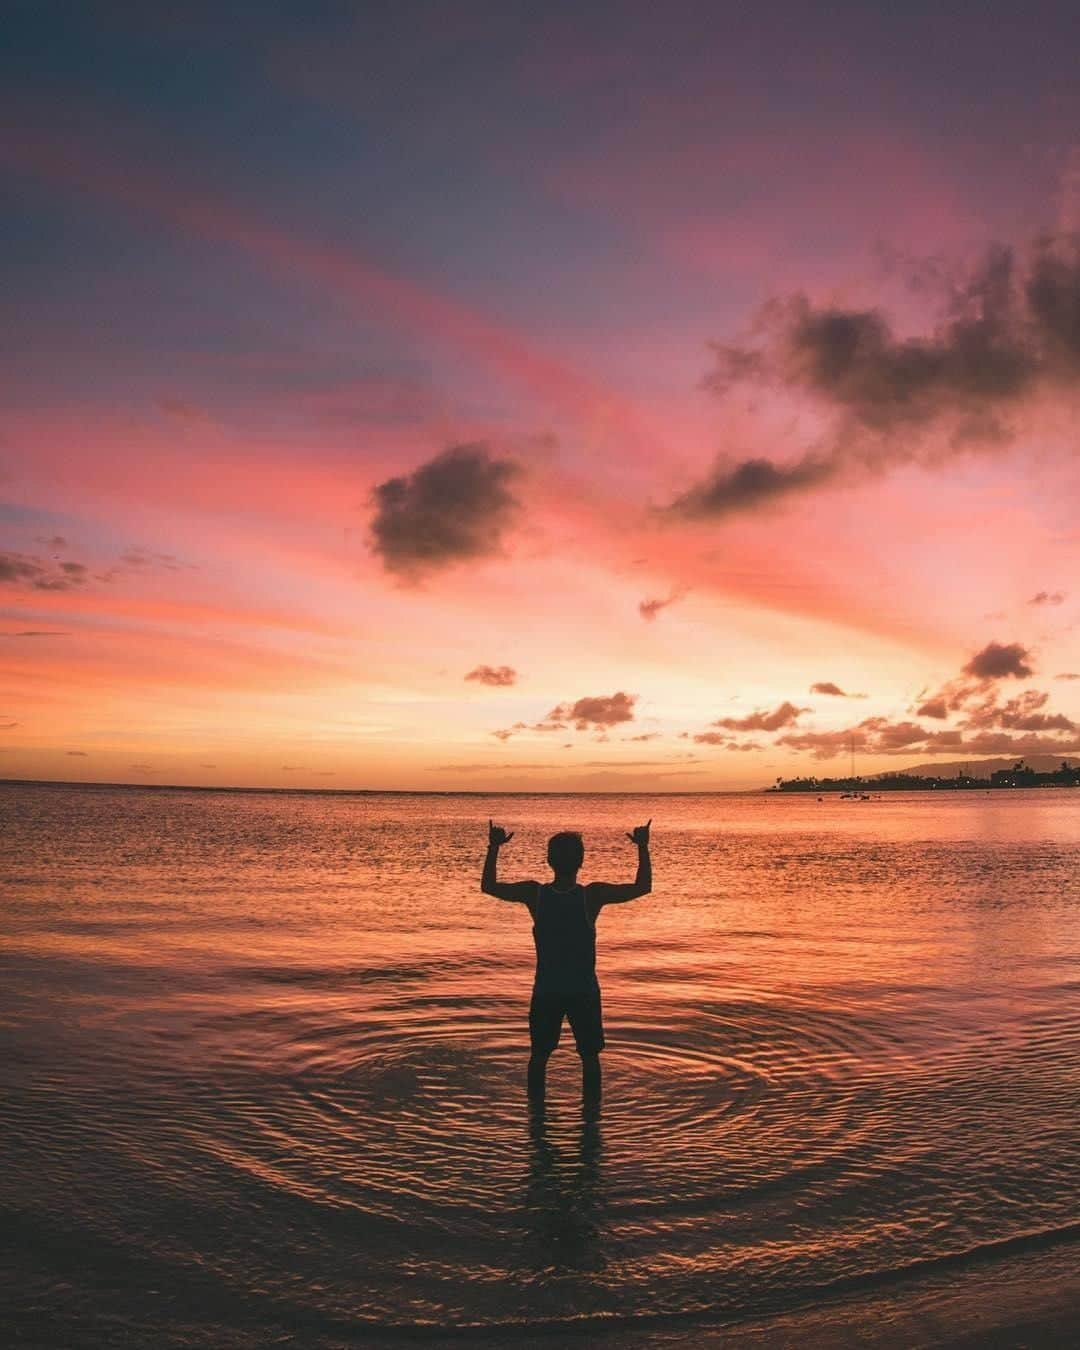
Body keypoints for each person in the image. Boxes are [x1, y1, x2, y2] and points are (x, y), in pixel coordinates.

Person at [481, 818, 652, 1106]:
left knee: (539, 1057)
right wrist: (643, 848)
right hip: (583, 992)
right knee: (589, 1058)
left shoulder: (536, 894)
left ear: (549, 861)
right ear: (582, 861)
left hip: (547, 991)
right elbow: (642, 886)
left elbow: (489, 886)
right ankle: (591, 1117)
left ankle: (536, 1117)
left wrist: (494, 848)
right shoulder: (591, 895)